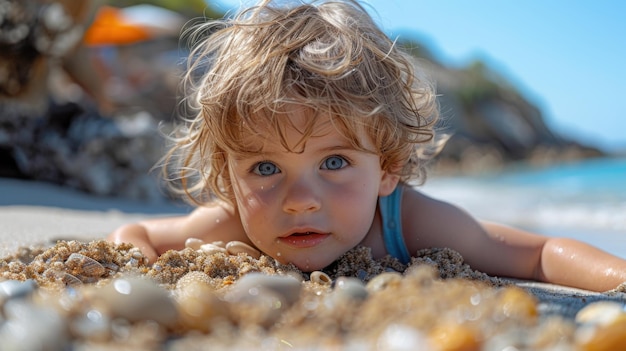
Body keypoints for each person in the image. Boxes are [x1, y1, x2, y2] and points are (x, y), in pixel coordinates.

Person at [108, 0, 626, 292]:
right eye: (265, 167)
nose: (300, 199)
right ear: (228, 174)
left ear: (388, 168)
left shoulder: (408, 222)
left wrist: (617, 276)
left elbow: (540, 255)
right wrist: (138, 274)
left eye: (334, 161)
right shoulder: (229, 224)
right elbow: (135, 232)